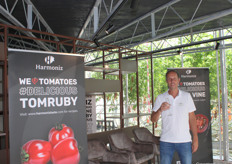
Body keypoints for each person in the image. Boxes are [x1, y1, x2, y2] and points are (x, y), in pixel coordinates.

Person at [151, 70, 198, 164]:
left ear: (179, 80)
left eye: (174, 79)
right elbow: (153, 119)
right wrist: (160, 109)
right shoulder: (161, 97)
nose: (172, 81)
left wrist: (195, 138)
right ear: (166, 81)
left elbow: (192, 118)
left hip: (185, 141)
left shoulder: (186, 96)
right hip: (166, 141)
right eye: (169, 79)